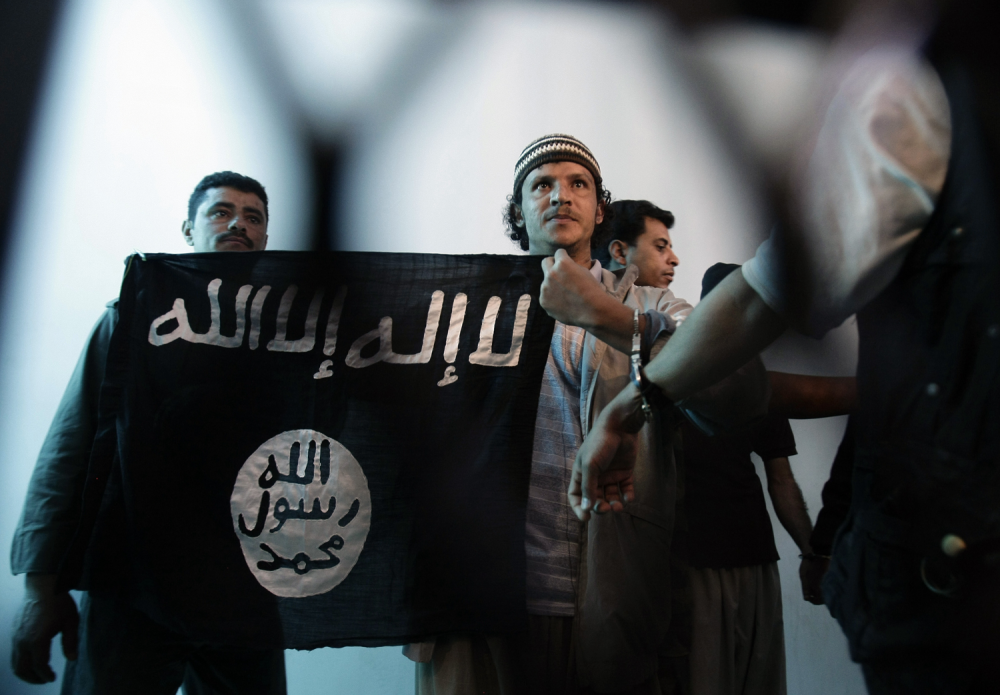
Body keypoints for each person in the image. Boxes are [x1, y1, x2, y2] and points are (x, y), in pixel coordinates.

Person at [571, 3, 999, 692]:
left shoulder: (914, 88)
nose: (675, 258)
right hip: (685, 554)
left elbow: (765, 396)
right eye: (659, 245)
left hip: (926, 567)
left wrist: (813, 539)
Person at [411, 135, 768, 695]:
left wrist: (612, 319)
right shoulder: (464, 310)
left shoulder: (653, 307)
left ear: (601, 209)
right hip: (478, 594)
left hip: (611, 590)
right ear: (518, 209)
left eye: (578, 184)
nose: (561, 196)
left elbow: (736, 392)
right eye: (542, 185)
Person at [10, 171, 285, 694]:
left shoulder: (291, 339)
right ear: (188, 229)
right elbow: (68, 450)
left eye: (253, 217)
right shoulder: (134, 320)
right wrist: (41, 589)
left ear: (266, 240)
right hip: (131, 579)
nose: (238, 224)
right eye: (221, 211)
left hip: (243, 587)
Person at [595, 199, 680, 289]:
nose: (675, 260)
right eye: (660, 247)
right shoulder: (582, 301)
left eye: (670, 248)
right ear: (619, 253)